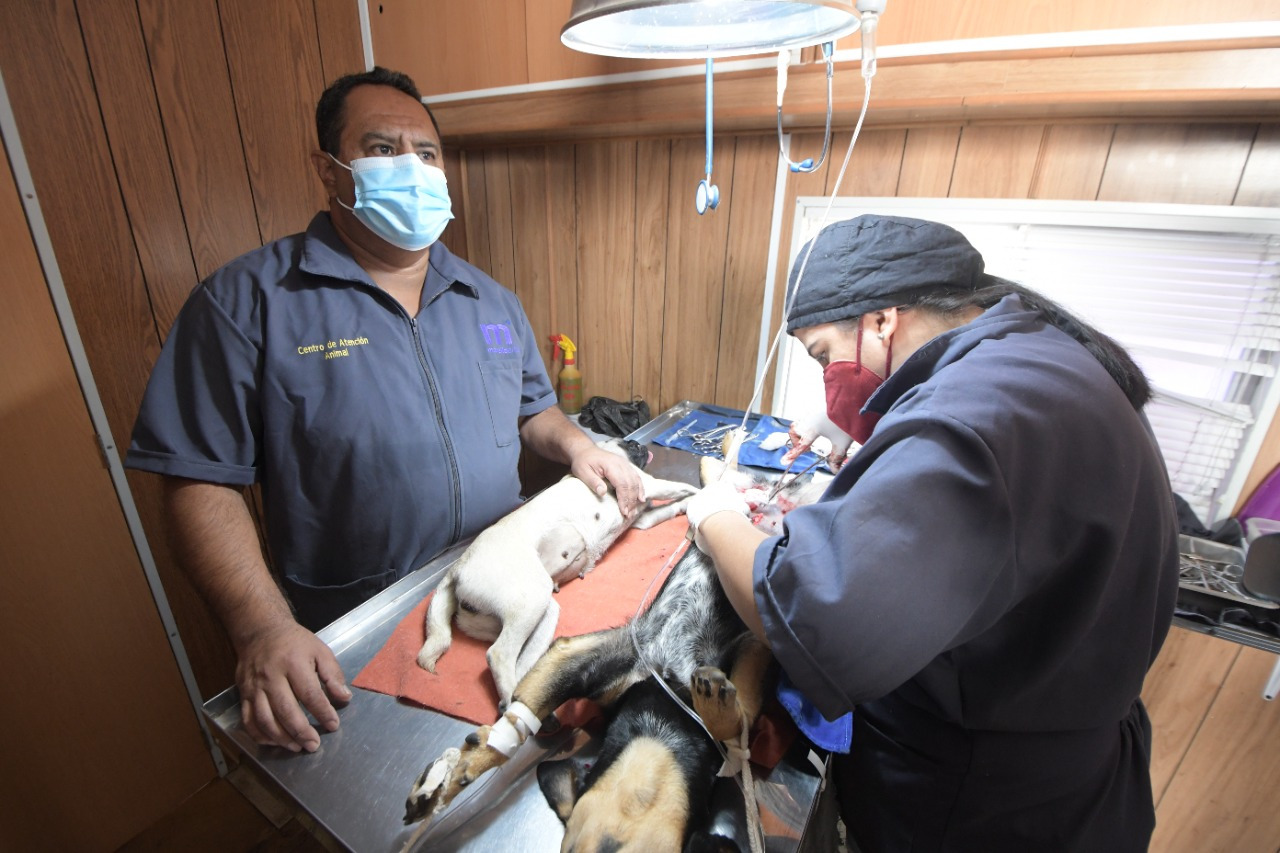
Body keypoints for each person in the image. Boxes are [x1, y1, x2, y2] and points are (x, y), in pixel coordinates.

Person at [125, 67, 642, 755]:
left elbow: (534, 410)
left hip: (504, 580)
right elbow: (198, 481)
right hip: (360, 624)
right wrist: (261, 627)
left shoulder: (490, 301)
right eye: (382, 149)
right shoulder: (247, 303)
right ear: (329, 169)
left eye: (426, 153)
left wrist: (578, 445)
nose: (411, 168)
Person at [686, 215, 1179, 851]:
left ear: (882, 322)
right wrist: (877, 435)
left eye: (824, 356)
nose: (827, 376)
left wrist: (716, 516)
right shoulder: (1039, 356)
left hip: (979, 810)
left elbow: (808, 614)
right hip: (1073, 776)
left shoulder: (969, 417)